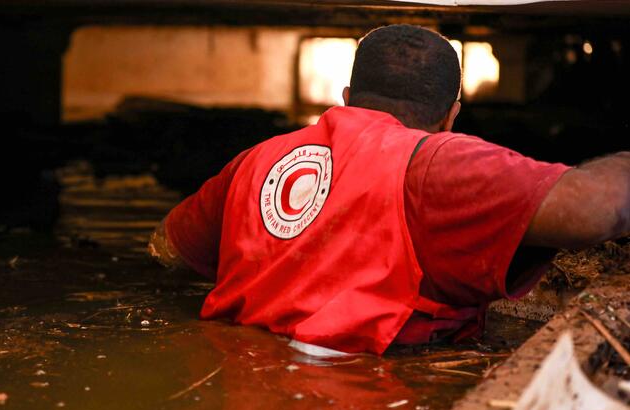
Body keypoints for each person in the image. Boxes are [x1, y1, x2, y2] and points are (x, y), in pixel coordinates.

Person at [148, 24, 630, 355]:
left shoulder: (254, 161)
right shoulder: (441, 163)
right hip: (368, 395)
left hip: (240, 386)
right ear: (452, 116)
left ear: (347, 99)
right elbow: (598, 210)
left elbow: (165, 247)